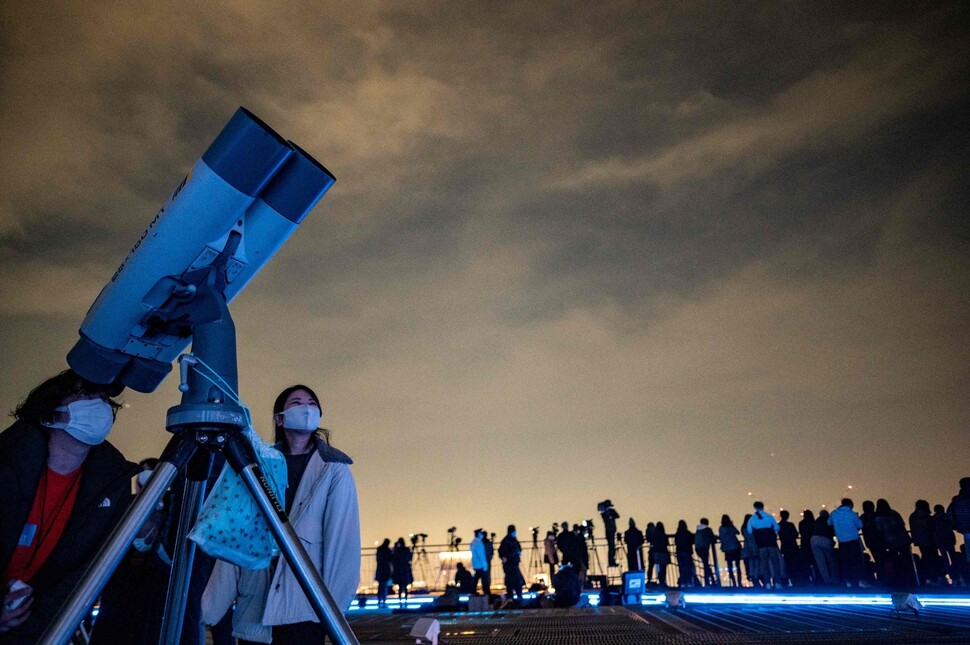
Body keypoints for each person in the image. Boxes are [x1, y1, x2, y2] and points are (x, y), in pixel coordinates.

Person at [202, 384, 360, 645]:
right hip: (255, 603)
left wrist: (333, 610)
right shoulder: (257, 464)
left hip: (305, 605)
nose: (307, 408)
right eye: (297, 403)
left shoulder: (333, 470)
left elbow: (342, 542)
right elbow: (239, 532)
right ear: (279, 418)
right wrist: (210, 606)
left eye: (312, 403)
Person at [1, 370, 137, 644]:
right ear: (49, 413)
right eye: (85, 394)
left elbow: (79, 575)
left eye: (103, 399)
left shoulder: (110, 484)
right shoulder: (7, 465)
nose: (98, 405)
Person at [874, 498, 914, 587]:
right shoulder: (894, 513)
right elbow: (902, 524)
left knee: (895, 560)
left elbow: (880, 530)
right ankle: (910, 578)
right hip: (903, 539)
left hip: (891, 541)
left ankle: (898, 579)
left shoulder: (878, 517)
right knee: (907, 559)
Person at [829, 498, 867, 588]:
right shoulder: (852, 514)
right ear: (850, 505)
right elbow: (860, 525)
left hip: (842, 542)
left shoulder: (834, 514)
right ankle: (858, 581)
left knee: (845, 562)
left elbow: (828, 523)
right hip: (853, 541)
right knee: (856, 562)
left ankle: (848, 581)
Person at [748, 502, 783, 589]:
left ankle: (767, 583)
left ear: (755, 507)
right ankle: (777, 582)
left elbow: (749, 531)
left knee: (764, 564)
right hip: (771, 543)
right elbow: (777, 528)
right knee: (775, 563)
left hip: (761, 545)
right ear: (763, 507)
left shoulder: (752, 519)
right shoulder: (769, 517)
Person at [910, 499, 943, 585]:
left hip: (921, 541)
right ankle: (935, 577)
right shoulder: (927, 517)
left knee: (926, 558)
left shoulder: (913, 516)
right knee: (933, 558)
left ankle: (928, 577)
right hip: (930, 540)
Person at [811, 509, 838, 585]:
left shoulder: (817, 521)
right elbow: (832, 531)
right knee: (831, 560)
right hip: (825, 539)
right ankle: (835, 579)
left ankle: (826, 580)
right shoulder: (828, 520)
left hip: (814, 539)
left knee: (821, 562)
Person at [498, 525, 524, 602]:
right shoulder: (507, 541)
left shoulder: (512, 540)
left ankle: (514, 596)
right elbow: (502, 552)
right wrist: (504, 557)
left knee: (514, 581)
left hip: (513, 563)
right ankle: (514, 596)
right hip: (510, 564)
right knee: (513, 581)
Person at [947, 478, 970, 563]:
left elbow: (949, 514)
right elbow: (949, 514)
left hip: (966, 531)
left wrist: (957, 526)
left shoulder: (956, 500)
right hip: (966, 531)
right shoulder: (957, 501)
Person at [933, 504, 957, 582]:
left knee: (945, 560)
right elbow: (952, 525)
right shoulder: (947, 517)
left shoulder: (933, 519)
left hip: (940, 541)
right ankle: (956, 576)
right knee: (953, 558)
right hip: (949, 540)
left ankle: (950, 576)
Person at [719, 515, 742, 587]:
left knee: (730, 567)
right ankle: (739, 582)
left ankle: (734, 583)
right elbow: (738, 532)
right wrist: (732, 525)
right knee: (738, 566)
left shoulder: (721, 528)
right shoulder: (731, 527)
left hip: (727, 549)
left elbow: (721, 537)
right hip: (735, 548)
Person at [776, 510, 798, 587]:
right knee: (794, 563)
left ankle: (787, 580)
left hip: (785, 547)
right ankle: (796, 580)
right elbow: (796, 534)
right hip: (793, 546)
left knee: (787, 564)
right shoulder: (790, 525)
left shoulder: (778, 525)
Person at [694, 518, 717, 587]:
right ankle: (710, 581)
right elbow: (713, 539)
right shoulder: (708, 530)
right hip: (704, 548)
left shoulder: (697, 530)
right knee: (706, 565)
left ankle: (710, 580)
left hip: (698, 549)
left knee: (705, 564)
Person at [391, 537, 414, 604]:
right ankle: (405, 600)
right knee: (405, 586)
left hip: (399, 570)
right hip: (405, 569)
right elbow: (410, 558)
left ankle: (400, 600)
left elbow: (393, 559)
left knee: (400, 587)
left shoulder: (397, 550)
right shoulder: (406, 549)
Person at [674, 520, 696, 588]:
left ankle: (683, 582)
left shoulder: (677, 534)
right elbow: (692, 541)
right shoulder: (688, 533)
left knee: (681, 568)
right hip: (687, 552)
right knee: (688, 568)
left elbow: (676, 542)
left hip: (680, 552)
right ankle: (689, 582)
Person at [470, 528, 491, 595]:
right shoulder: (479, 543)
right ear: (479, 534)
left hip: (475, 563)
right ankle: (487, 592)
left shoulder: (473, 542)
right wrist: (485, 565)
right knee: (484, 579)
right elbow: (481, 555)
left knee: (477, 577)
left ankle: (473, 590)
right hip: (480, 564)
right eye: (481, 533)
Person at [648, 522, 669, 587]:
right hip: (664, 552)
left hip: (656, 553)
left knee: (658, 567)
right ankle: (662, 581)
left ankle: (656, 580)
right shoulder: (664, 535)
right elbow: (667, 543)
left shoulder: (655, 535)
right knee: (663, 568)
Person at [600, 500, 620, 567]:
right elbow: (607, 520)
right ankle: (611, 561)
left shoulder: (611, 512)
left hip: (612, 531)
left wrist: (612, 511)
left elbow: (617, 516)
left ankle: (612, 560)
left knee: (612, 547)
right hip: (609, 532)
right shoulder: (604, 514)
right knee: (611, 547)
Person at [375, 539, 393, 607]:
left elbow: (377, 559)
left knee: (380, 586)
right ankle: (384, 600)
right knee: (384, 586)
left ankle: (379, 600)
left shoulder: (379, 549)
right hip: (385, 570)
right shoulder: (388, 551)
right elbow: (391, 559)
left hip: (380, 569)